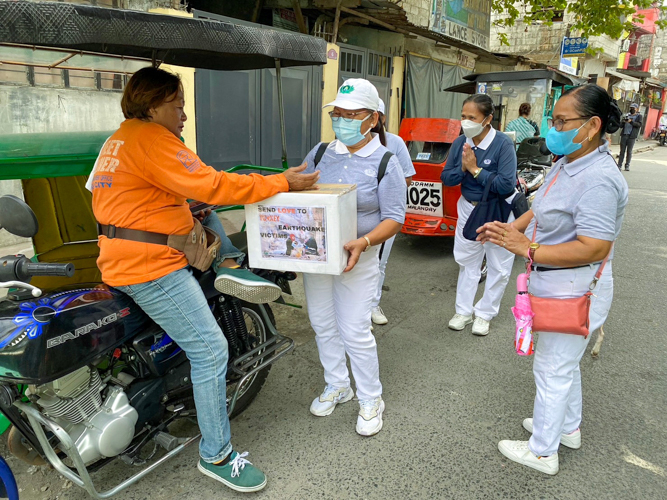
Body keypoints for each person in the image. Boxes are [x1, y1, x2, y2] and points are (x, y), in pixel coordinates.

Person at [90, 67, 318, 492]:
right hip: (151, 267)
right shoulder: (154, 139)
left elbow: (112, 194)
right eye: (178, 106)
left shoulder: (117, 140)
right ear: (154, 104)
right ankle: (216, 454)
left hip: (118, 256)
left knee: (198, 211)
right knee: (211, 351)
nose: (184, 116)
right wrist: (281, 182)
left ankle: (227, 266)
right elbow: (213, 185)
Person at [478, 84, 627, 475]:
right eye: (553, 120)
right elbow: (541, 206)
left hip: (576, 285)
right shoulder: (568, 161)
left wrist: (528, 249)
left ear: (592, 126)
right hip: (558, 281)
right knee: (564, 364)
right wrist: (510, 227)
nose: (553, 128)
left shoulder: (598, 179)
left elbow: (594, 246)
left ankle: (543, 451)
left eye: (562, 121)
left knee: (552, 367)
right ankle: (567, 428)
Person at [301, 79, 406, 436]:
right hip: (316, 257)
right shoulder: (319, 153)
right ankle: (338, 384)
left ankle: (371, 398)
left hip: (358, 259)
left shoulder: (385, 160)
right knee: (322, 323)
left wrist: (363, 241)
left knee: (355, 330)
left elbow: (395, 217)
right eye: (338, 114)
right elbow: (297, 194)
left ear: (372, 118)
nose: (341, 120)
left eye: (351, 114)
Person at [441, 94, 518, 336]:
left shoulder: (503, 144)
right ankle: (463, 311)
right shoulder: (460, 143)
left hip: (498, 209)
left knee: (498, 264)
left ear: (487, 119)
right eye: (463, 116)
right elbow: (447, 178)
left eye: (472, 117)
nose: (465, 122)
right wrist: (463, 167)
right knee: (467, 261)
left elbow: (505, 185)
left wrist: (474, 169)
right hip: (469, 207)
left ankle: (485, 313)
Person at [370, 98, 415, 326]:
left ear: (381, 118)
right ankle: (357, 307)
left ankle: (373, 303)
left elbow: (406, 177)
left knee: (379, 261)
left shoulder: (395, 143)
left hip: (386, 214)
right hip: (359, 213)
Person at [617, 103, 641, 171]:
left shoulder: (639, 116)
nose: (632, 109)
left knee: (629, 151)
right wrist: (624, 121)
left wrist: (631, 122)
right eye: (631, 108)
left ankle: (627, 165)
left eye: (633, 108)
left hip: (631, 136)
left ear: (636, 109)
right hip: (624, 135)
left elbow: (639, 125)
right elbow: (620, 125)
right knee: (622, 151)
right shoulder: (627, 115)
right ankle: (619, 165)